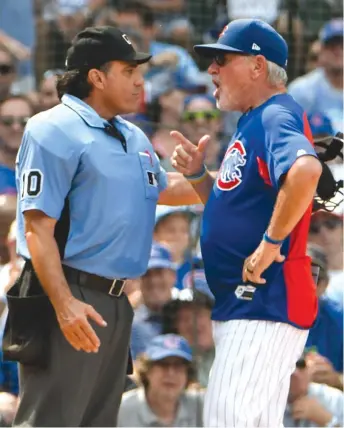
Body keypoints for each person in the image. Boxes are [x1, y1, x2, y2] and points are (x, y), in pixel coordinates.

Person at [10, 26, 200, 427]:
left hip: (115, 300)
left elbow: (166, 189)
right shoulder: (51, 128)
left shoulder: (132, 135)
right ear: (96, 77)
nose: (139, 80)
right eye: (129, 70)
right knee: (51, 421)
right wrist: (64, 306)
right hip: (66, 292)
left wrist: (251, 179)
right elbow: (37, 229)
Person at [170, 18, 323, 427]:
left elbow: (306, 170)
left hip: (264, 302)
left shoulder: (275, 114)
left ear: (257, 66)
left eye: (222, 60)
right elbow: (232, 205)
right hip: (251, 305)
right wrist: (200, 177)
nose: (212, 70)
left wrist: (271, 243)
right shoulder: (255, 119)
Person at [118, 334, 204, 427]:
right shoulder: (121, 410)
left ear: (188, 373)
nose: (171, 373)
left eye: (178, 366)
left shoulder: (201, 406)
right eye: (163, 364)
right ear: (147, 370)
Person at [284, 356, 343, 427]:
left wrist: (326, 419)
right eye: (289, 368)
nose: (296, 373)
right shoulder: (270, 404)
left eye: (300, 364)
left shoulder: (334, 398)